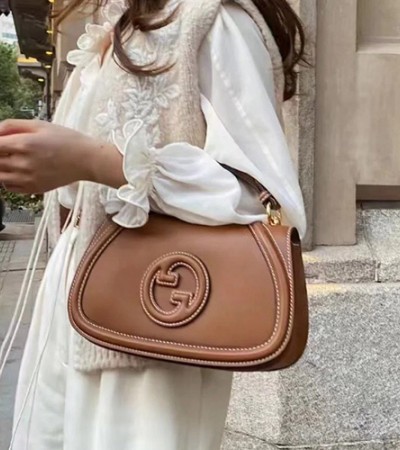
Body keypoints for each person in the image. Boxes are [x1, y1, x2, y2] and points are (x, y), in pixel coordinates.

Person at [0, 0, 307, 448]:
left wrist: (95, 162)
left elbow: (261, 196)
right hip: (72, 298)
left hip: (154, 321)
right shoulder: (114, 27)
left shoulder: (213, 20)